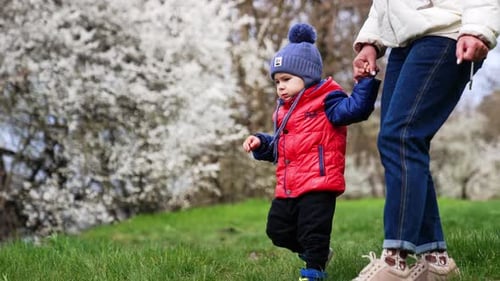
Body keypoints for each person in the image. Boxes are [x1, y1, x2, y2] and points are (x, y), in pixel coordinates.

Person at [351, 1, 500, 281]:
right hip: (405, 40)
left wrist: (479, 29)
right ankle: (437, 260)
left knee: (402, 136)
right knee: (398, 141)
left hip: (449, 31)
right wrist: (372, 42)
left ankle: (395, 260)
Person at [242, 23, 380, 281]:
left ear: (306, 76)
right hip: (289, 184)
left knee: (312, 231)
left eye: (286, 80)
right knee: (278, 231)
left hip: (319, 182)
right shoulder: (283, 112)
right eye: (277, 81)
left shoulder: (328, 101)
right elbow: (280, 149)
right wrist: (261, 143)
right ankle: (319, 253)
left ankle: (313, 271)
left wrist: (365, 82)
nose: (280, 87)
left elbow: (356, 110)